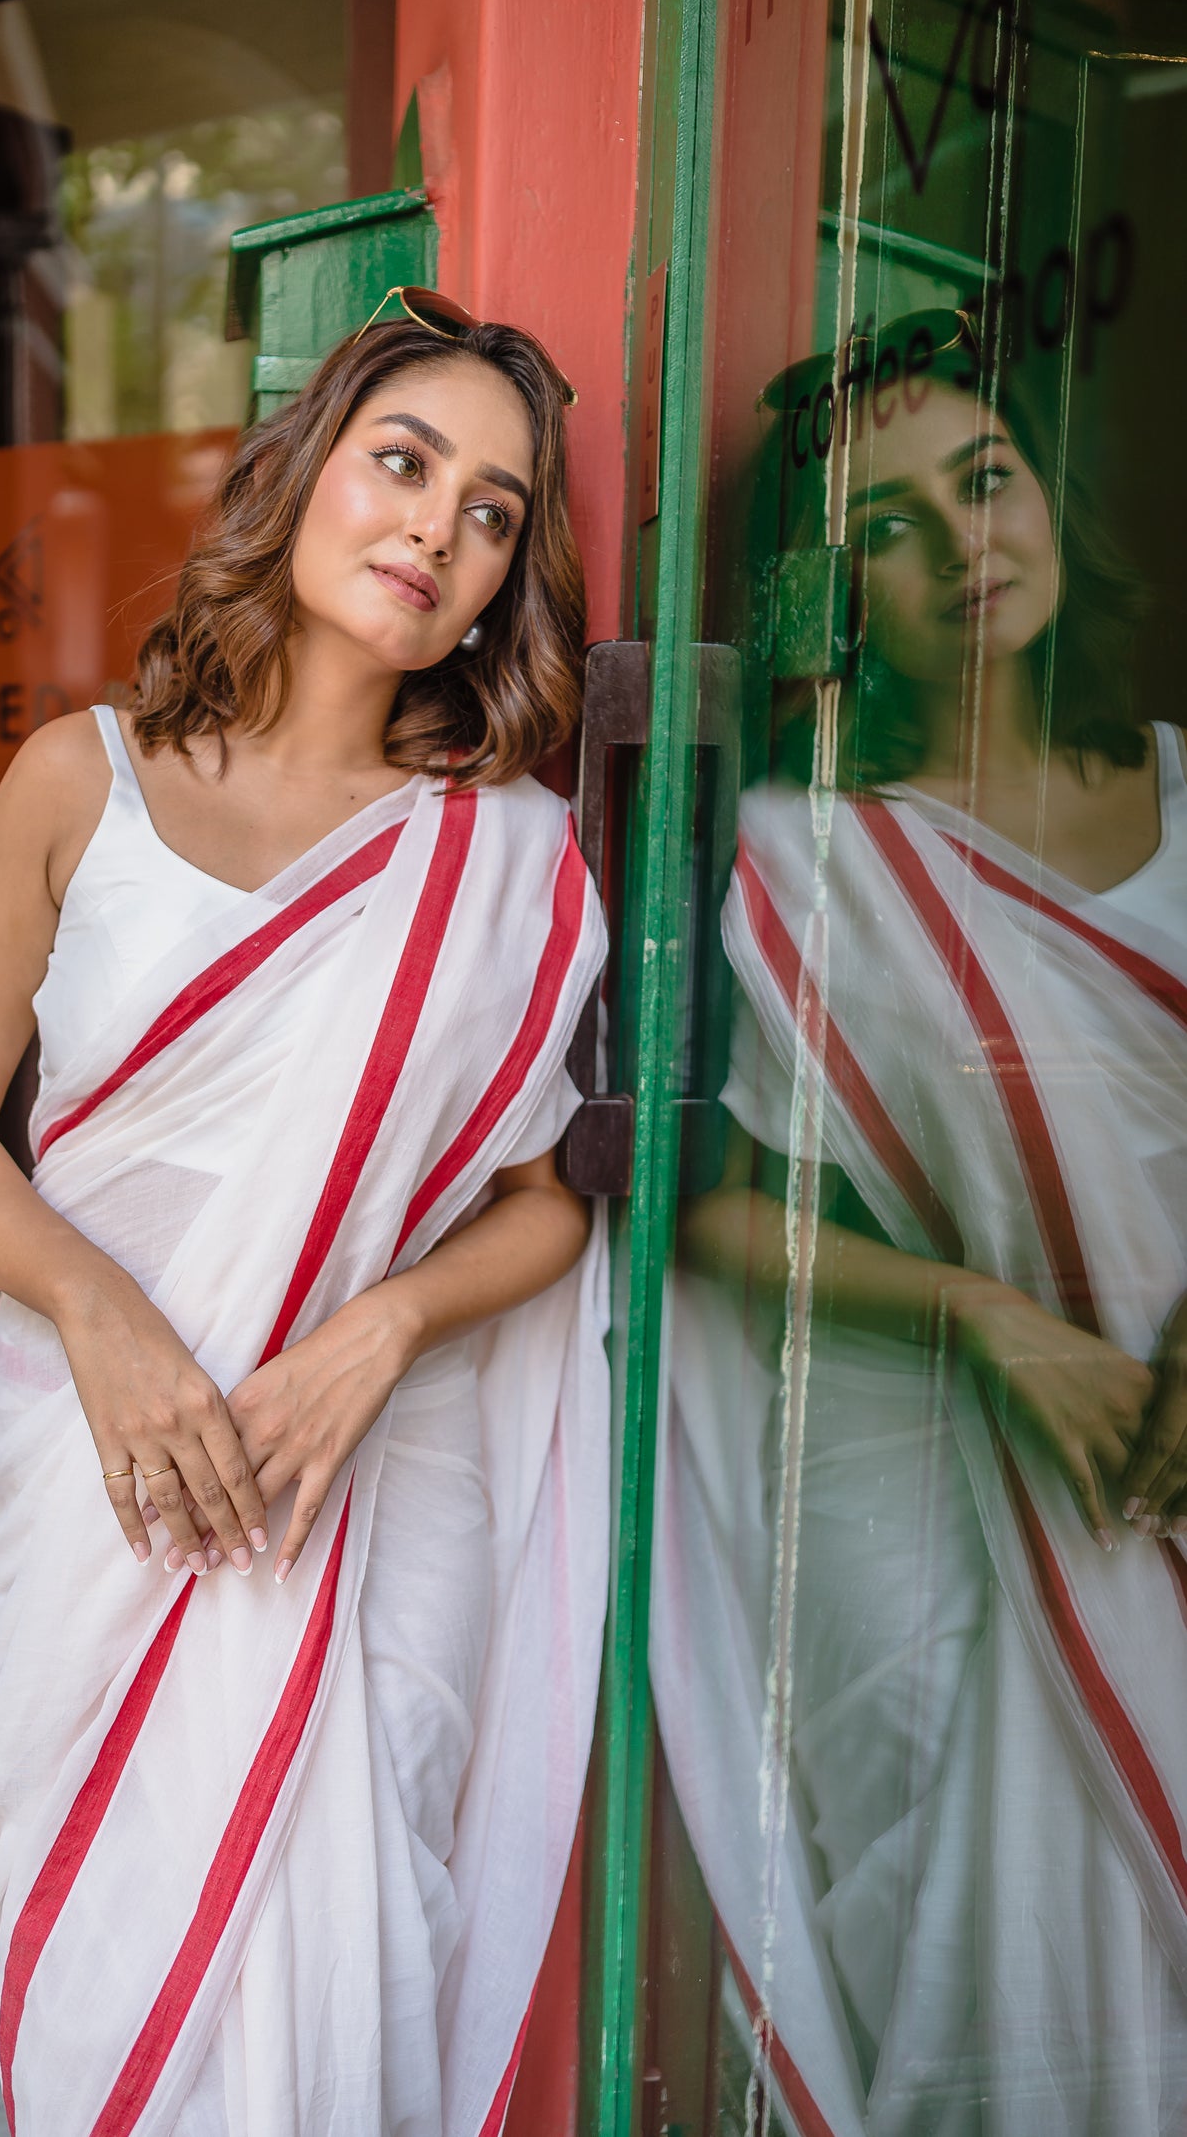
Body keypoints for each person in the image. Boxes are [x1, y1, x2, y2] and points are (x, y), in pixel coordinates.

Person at [0, 301, 609, 2137]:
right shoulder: (82, 780)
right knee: (113, 1996)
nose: (442, 528)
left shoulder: (498, 855)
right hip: (95, 1473)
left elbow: (540, 1216)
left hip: (370, 1485)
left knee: (349, 1980)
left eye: (496, 512)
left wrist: (376, 1336)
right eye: (404, 461)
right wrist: (111, 1330)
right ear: (297, 478)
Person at [653, 321, 1187, 2133]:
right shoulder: (812, 863)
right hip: (1013, 1493)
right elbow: (712, 1219)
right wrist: (985, 1311)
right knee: (1051, 1960)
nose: (962, 549)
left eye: (983, 482)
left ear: (1047, 497)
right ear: (830, 590)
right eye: (889, 524)